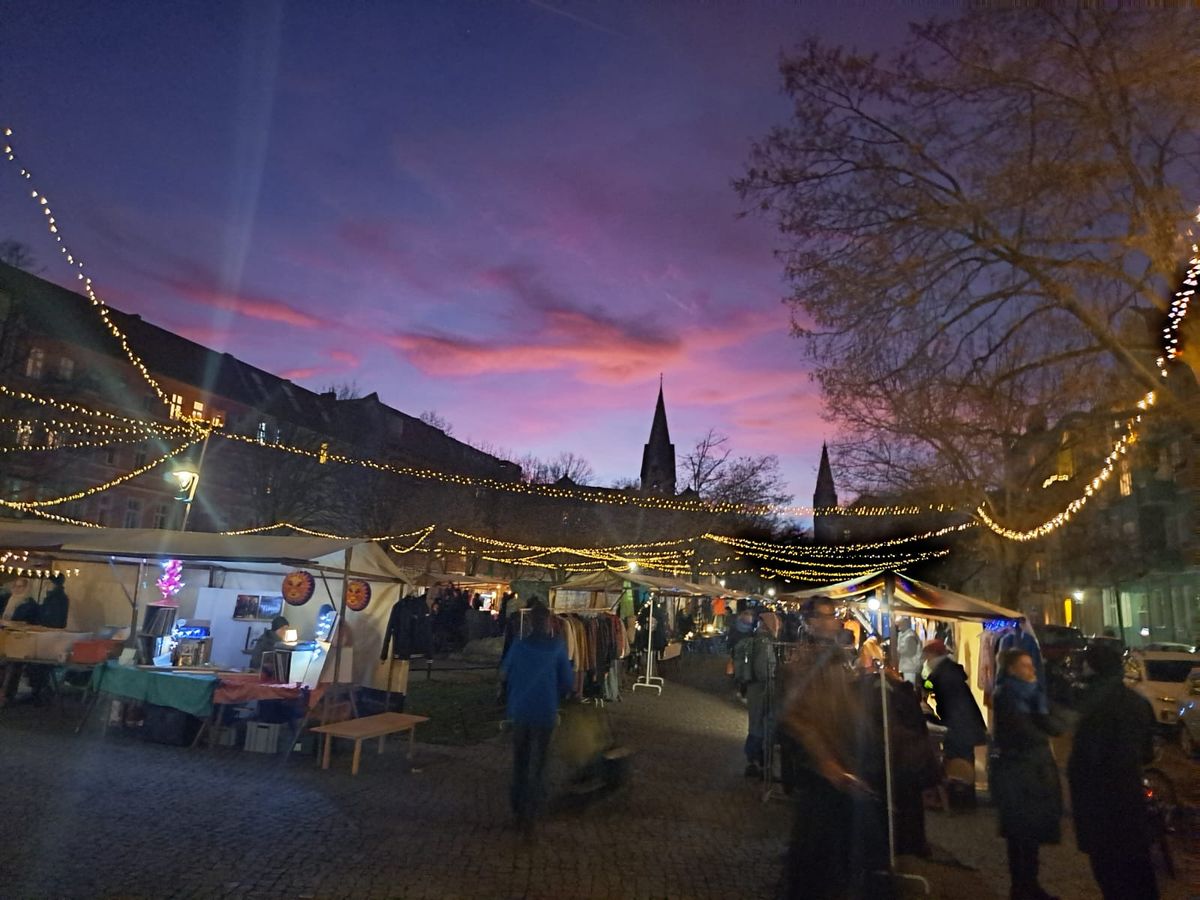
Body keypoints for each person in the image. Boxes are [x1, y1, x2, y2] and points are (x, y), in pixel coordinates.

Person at [780, 596, 885, 899]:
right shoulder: (802, 661)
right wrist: (825, 761)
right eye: (823, 617)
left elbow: (847, 708)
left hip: (844, 760)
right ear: (809, 622)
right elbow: (798, 717)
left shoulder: (840, 659)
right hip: (819, 769)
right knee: (814, 852)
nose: (830, 622)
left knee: (838, 851)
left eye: (833, 616)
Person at [1068, 643, 1158, 900]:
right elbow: (1147, 752)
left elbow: (1088, 758)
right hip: (1129, 797)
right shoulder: (1137, 702)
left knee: (1111, 875)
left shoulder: (1093, 707)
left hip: (1101, 803)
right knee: (1138, 869)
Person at [990, 648, 1062, 900]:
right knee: (1021, 834)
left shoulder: (1030, 694)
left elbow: (1052, 724)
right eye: (1025, 666)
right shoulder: (1008, 695)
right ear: (1012, 669)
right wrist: (1043, 733)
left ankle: (1028, 885)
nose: (1031, 670)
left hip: (1028, 773)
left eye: (1031, 665)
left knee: (1027, 834)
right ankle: (1022, 888)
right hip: (1018, 774)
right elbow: (1025, 732)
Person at [500, 602, 573, 834]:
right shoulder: (557, 647)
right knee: (540, 763)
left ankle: (519, 807)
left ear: (530, 622)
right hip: (545, 711)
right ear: (549, 622)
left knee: (520, 761)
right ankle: (534, 807)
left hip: (520, 710)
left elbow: (504, 672)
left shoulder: (520, 646)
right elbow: (567, 681)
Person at [923, 638, 987, 767]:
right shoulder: (948, 670)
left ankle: (962, 785)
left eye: (926, 655)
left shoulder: (941, 674)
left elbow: (933, 695)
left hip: (957, 727)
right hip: (963, 726)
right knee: (965, 761)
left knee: (958, 762)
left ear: (932, 655)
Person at [735, 610, 778, 778]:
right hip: (762, 689)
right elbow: (762, 670)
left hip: (753, 688)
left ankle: (753, 761)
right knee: (760, 726)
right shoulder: (765, 643)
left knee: (755, 725)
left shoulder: (755, 639)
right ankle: (758, 763)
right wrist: (772, 678)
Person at [894, 617, 922, 686]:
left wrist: (899, 650)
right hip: (906, 666)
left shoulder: (910, 636)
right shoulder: (904, 635)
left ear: (905, 625)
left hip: (910, 667)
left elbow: (910, 652)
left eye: (901, 624)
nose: (899, 626)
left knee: (910, 686)